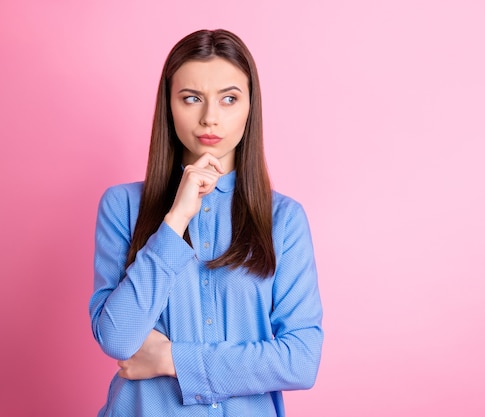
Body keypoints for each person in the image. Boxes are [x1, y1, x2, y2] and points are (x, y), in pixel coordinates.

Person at [88, 29, 323, 416]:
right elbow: (118, 338)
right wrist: (176, 219)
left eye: (229, 99)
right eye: (191, 98)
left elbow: (300, 360)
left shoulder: (284, 220)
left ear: (250, 107)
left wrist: (172, 359)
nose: (210, 117)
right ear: (169, 105)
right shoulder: (123, 206)